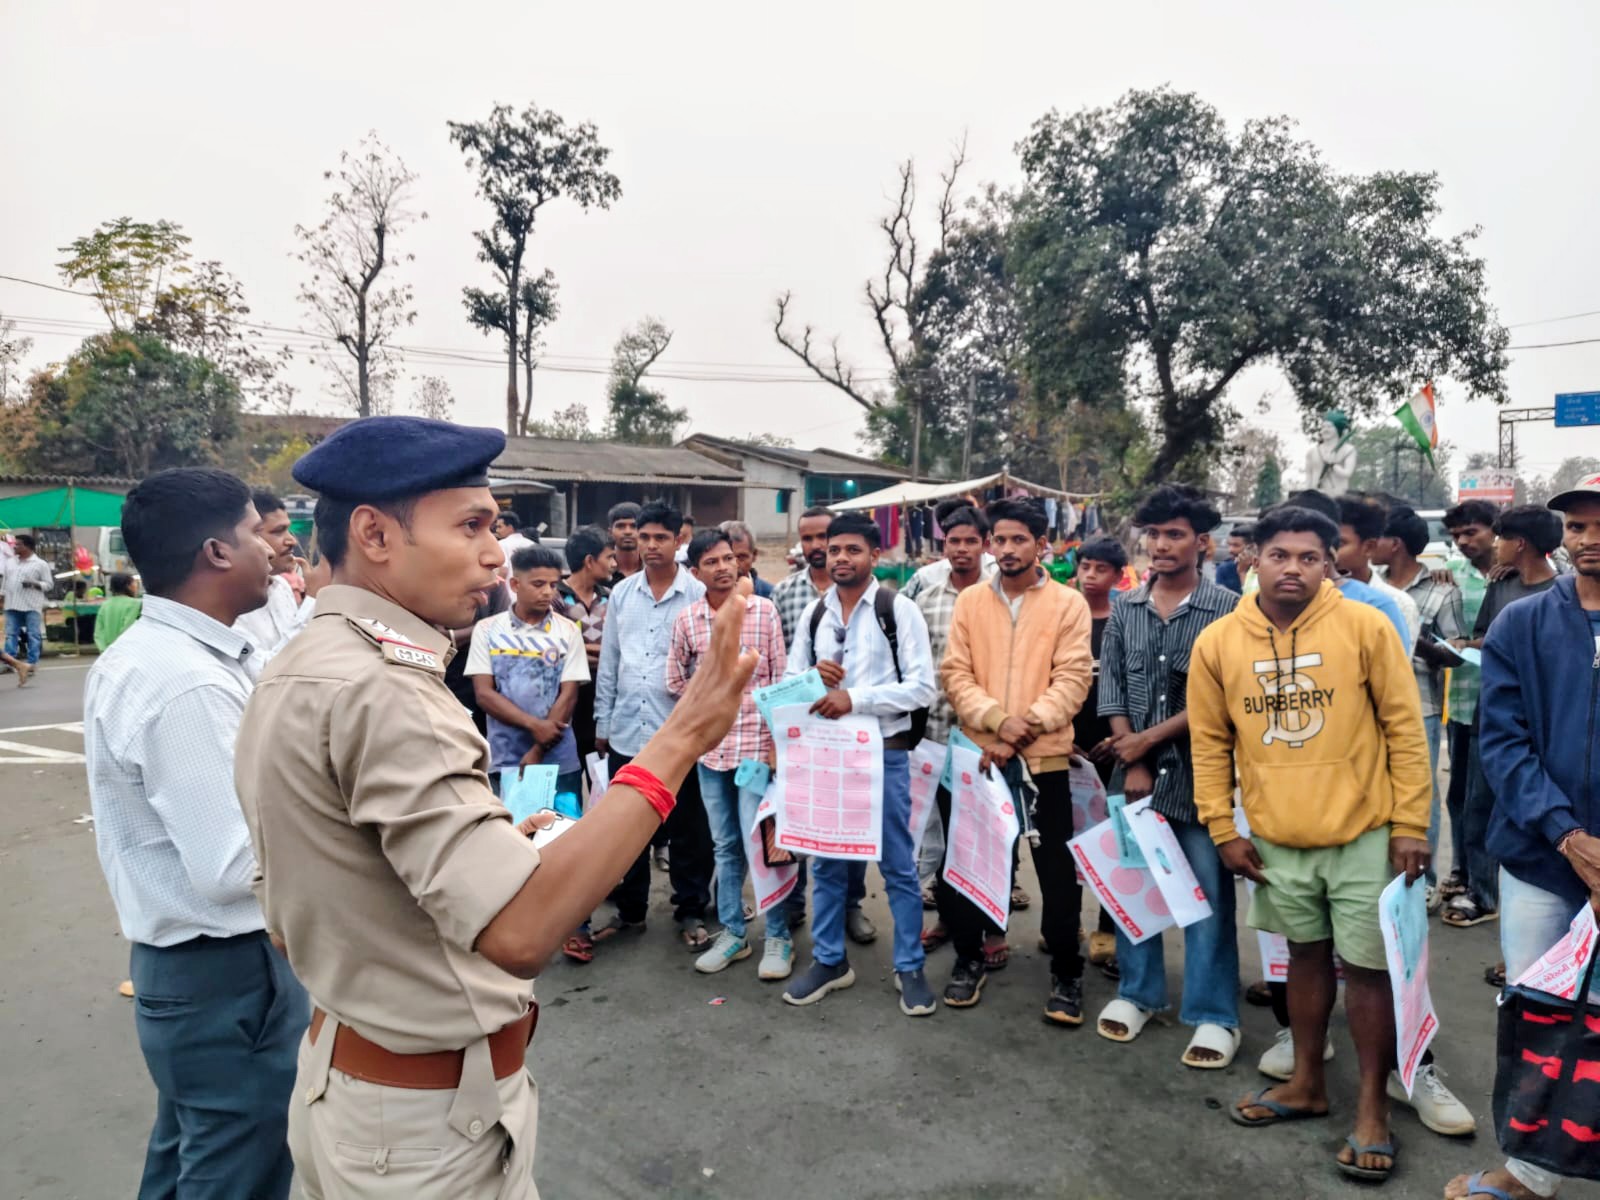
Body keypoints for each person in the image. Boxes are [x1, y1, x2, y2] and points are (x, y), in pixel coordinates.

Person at [234, 415, 756, 1198]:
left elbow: (330, 888)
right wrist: (683, 737)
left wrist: (502, 846)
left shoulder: (308, 665)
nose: (494, 553)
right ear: (374, 534)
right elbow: (518, 932)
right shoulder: (384, 690)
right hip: (424, 1128)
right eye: (472, 525)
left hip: (361, 1083)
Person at [83, 468, 307, 1199]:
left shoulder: (172, 657)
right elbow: (233, 864)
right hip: (227, 972)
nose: (274, 549)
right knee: (238, 1167)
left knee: (190, 1157)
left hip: (197, 973)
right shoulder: (186, 683)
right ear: (216, 552)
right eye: (255, 532)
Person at [1190, 505, 1431, 1183]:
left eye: (1309, 557)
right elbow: (1210, 746)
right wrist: (1223, 828)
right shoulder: (1218, 643)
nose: (1292, 568)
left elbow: (1405, 731)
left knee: (1369, 972)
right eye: (1279, 555)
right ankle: (1305, 1083)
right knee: (1303, 961)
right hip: (1275, 839)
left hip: (1364, 834)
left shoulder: (1365, 627)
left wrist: (1411, 824)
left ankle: (1372, 1112)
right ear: (1253, 558)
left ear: (1330, 564)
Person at [1445, 473, 1600, 1200]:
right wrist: (1572, 838)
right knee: (1538, 1017)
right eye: (1578, 526)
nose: (1591, 539)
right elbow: (1504, 747)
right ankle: (1530, 1172)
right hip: (1543, 862)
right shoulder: (1522, 624)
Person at [1094, 486, 1242, 1065]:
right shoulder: (1124, 607)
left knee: (1205, 897)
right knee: (1137, 886)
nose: (1160, 545)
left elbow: (1223, 698)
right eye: (1153, 534)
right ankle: (1139, 993)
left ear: (1202, 543)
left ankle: (1214, 1016)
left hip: (1201, 777)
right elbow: (1110, 685)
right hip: (1131, 779)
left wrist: (1147, 746)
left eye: (1174, 534)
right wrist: (1132, 761)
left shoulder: (1229, 611)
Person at [939, 499, 1094, 1023]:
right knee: (969, 861)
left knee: (1055, 869)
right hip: (979, 757)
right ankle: (969, 958)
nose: (1006, 550)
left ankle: (1067, 974)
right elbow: (955, 675)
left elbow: (1073, 679)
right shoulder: (970, 604)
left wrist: (1019, 729)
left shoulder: (1067, 604)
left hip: (1044, 758)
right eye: (999, 540)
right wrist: (994, 720)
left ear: (1040, 543)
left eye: (1018, 540)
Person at [781, 511, 939, 1016]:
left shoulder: (899, 610)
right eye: (834, 549)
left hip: (885, 758)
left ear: (875, 556)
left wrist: (855, 698)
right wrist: (812, 678)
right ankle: (830, 961)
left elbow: (921, 687)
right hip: (827, 758)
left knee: (897, 867)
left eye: (853, 550)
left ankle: (909, 966)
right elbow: (791, 684)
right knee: (827, 863)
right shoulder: (814, 615)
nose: (841, 558)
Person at [667, 528, 791, 978]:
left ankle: (777, 936)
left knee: (761, 844)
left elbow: (779, 680)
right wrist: (705, 710)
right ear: (695, 572)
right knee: (724, 845)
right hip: (710, 751)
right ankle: (735, 933)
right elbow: (675, 679)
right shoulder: (688, 620)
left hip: (756, 748)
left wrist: (777, 745)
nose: (723, 568)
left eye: (727, 559)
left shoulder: (763, 612)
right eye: (711, 562)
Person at [594, 499, 717, 950]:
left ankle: (690, 910)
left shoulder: (699, 595)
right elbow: (611, 662)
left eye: (659, 537)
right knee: (627, 829)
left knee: (689, 829)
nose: (649, 545)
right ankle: (630, 912)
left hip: (680, 733)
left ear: (678, 539)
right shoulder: (622, 594)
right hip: (628, 728)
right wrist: (602, 721)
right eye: (643, 537)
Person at [1444, 504, 1564, 932]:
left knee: (1525, 809)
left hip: (1542, 724)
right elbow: (1485, 636)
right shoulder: (1503, 585)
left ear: (1519, 543)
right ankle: (1482, 890)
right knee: (1476, 804)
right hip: (1489, 712)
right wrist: (1461, 643)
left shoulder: (1563, 594)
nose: (1495, 546)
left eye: (1499, 538)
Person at [771, 506, 876, 944]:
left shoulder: (874, 599)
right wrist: (810, 680)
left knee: (851, 825)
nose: (818, 548)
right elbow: (782, 667)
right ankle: (794, 903)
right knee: (799, 821)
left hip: (857, 730)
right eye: (811, 540)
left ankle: (852, 907)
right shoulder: (786, 593)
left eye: (824, 539)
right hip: (804, 727)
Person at [1372, 505, 1465, 907]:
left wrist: (1414, 639)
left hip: (1420, 703)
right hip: (1370, 707)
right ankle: (1382, 877)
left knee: (1420, 795)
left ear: (1395, 545)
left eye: (1376, 538)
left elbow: (1458, 652)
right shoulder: (1368, 587)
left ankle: (1422, 884)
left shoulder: (1443, 590)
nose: (1369, 545)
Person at [912, 504, 995, 938]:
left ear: (985, 544)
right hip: (939, 733)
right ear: (943, 545)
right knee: (945, 831)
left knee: (992, 834)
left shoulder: (1002, 594)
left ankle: (992, 927)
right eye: (953, 542)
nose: (961, 550)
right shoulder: (926, 598)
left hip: (991, 737)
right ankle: (948, 916)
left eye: (970, 542)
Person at [467, 544, 588, 798]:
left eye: (553, 585)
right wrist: (535, 726)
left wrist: (538, 750)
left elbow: (568, 696)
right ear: (514, 585)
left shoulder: (568, 630)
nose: (547, 592)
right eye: (538, 584)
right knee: (510, 834)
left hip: (560, 762)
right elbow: (484, 695)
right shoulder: (487, 630)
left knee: (561, 833)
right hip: (505, 760)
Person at [1437, 500, 1498, 907]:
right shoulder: (1450, 577)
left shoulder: (1517, 574)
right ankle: (1461, 870)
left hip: (1502, 706)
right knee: (1458, 795)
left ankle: (1487, 881)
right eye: (1457, 536)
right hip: (1461, 702)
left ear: (1495, 530)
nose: (1463, 542)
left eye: (1471, 532)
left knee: (1488, 799)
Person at [1076, 536, 1129, 976]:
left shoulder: (1125, 618)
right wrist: (1062, 738)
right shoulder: (1063, 613)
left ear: (1118, 576)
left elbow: (1132, 683)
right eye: (1085, 567)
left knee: (1113, 844)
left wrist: (1120, 738)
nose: (1090, 576)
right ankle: (1066, 923)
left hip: (1117, 746)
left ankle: (1108, 926)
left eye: (1100, 569)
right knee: (1068, 840)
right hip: (1067, 748)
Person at [233, 491, 318, 677]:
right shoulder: (231, 603)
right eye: (278, 531)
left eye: (289, 529)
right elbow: (265, 673)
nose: (292, 541)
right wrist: (311, 600)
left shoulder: (281, 588)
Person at [1336, 494, 1420, 649]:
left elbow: (1396, 668)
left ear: (1369, 547)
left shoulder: (1397, 604)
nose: (1329, 551)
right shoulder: (1308, 596)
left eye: (1339, 543)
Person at [902, 498, 998, 601]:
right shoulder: (925, 581)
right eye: (955, 540)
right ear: (945, 540)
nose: (962, 548)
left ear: (985, 544)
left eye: (970, 541)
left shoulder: (998, 577)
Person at [2, 532, 53, 669]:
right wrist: (2, 595)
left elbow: (49, 585)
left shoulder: (40, 564)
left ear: (28, 547)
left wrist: (34, 584)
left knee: (33, 634)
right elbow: (5, 581)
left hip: (31, 605)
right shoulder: (10, 562)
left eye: (18, 545)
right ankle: (10, 663)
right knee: (10, 634)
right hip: (12, 603)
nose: (14, 547)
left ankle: (32, 663)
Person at [722, 519, 774, 598]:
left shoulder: (771, 595)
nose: (735, 564)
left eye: (741, 557)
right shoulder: (702, 595)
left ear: (754, 555)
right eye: (727, 558)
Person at [93, 572, 143, 652]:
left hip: (107, 651)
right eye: (134, 583)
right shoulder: (135, 604)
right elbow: (128, 628)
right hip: (126, 650)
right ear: (128, 586)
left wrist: (104, 650)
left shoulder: (105, 604)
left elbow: (98, 632)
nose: (136, 587)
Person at [608, 501, 643, 583]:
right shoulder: (600, 571)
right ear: (610, 532)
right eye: (620, 526)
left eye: (634, 526)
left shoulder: (654, 569)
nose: (628, 532)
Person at [1215, 524, 1252, 594]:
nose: (1230, 550)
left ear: (1251, 547)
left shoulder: (1262, 569)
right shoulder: (1225, 569)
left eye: (1236, 545)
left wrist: (1242, 572)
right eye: (1229, 545)